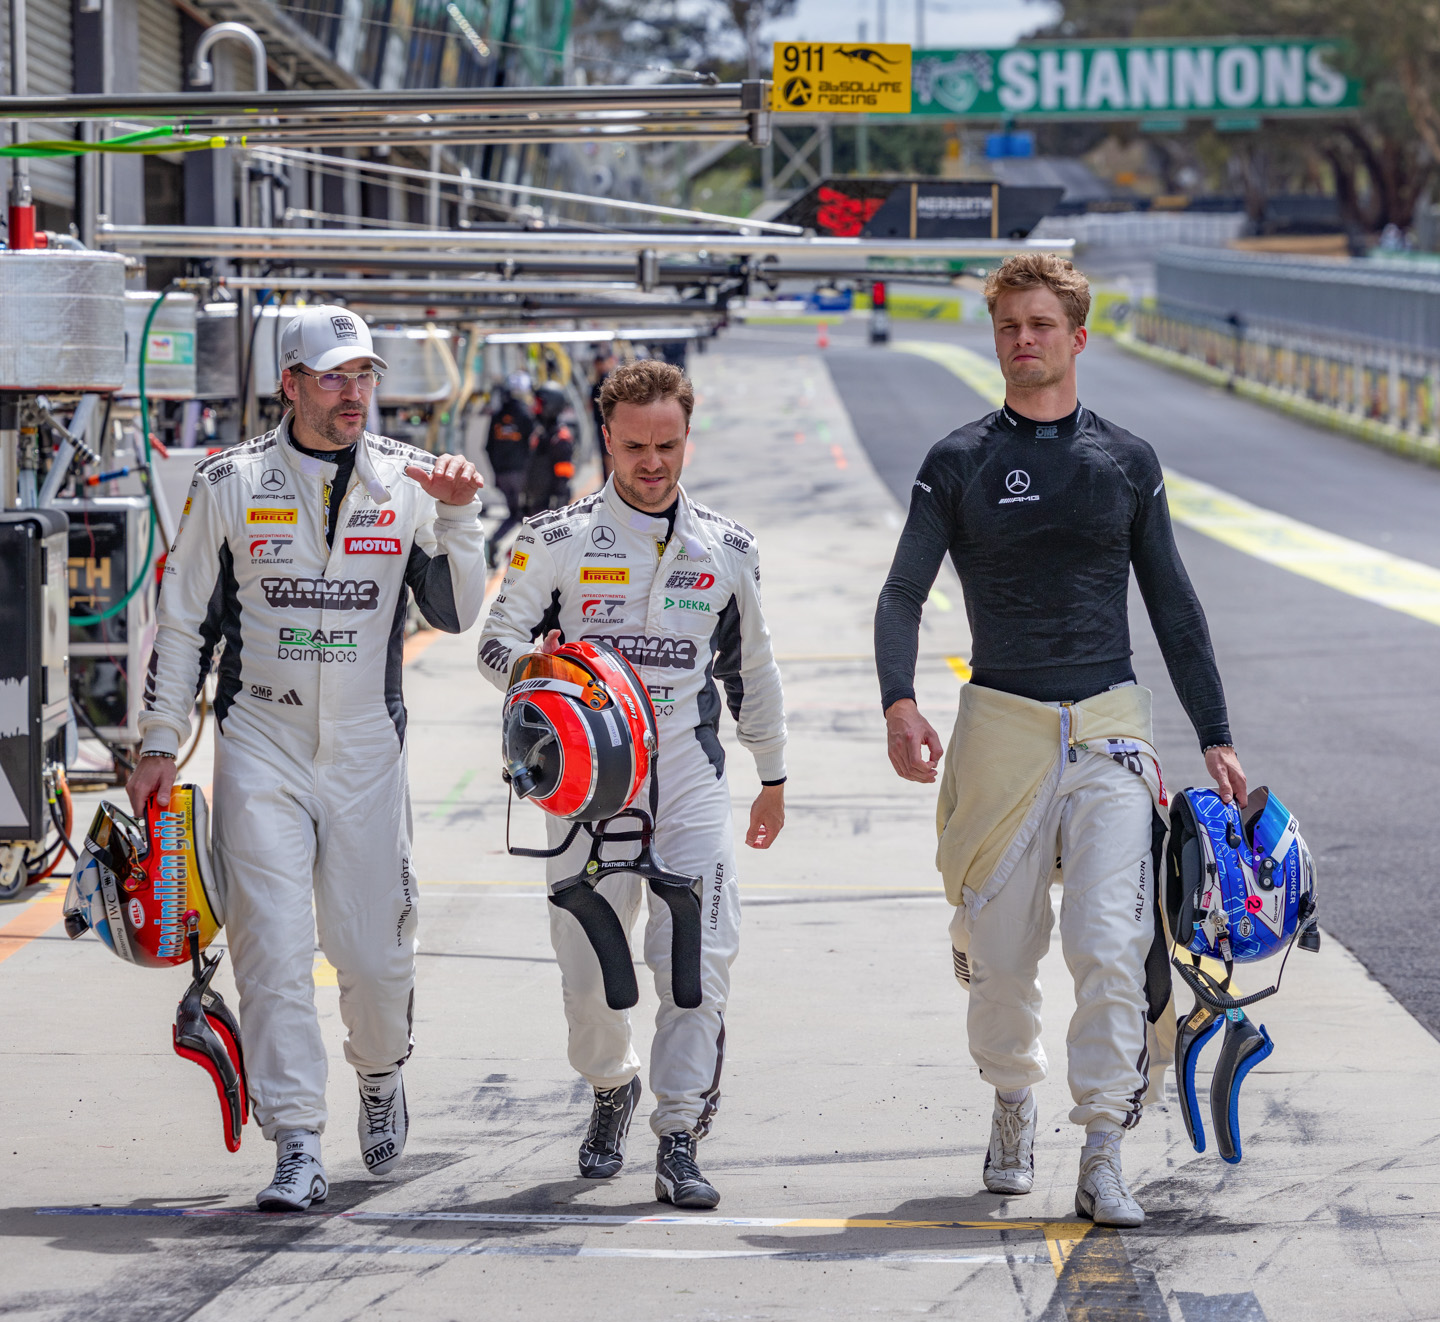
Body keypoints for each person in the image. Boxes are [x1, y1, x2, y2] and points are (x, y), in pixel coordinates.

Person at [874, 253, 1243, 1228]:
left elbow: (1172, 602)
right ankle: (1009, 1096)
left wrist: (1213, 734)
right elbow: (903, 589)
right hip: (998, 725)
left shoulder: (1125, 461)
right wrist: (898, 700)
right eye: (1007, 326)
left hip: (1110, 730)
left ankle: (1100, 1148)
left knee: (1107, 942)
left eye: (1039, 324)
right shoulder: (956, 462)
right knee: (1000, 954)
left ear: (1076, 336)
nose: (1021, 339)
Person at [133, 305, 486, 1211]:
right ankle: (295, 1139)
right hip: (263, 744)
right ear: (289, 383)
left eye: (363, 375)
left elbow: (456, 614)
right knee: (273, 953)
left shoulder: (410, 479)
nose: (353, 393)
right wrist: (160, 742)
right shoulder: (227, 482)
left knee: (372, 956)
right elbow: (182, 629)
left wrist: (460, 518)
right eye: (333, 377)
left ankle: (379, 1073)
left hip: (367, 749)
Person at [478, 359, 788, 1210]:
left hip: (687, 779)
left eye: (669, 444)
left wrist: (773, 775)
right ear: (606, 437)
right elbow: (492, 642)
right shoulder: (554, 540)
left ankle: (680, 1131)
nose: (653, 462)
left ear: (689, 436)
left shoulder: (727, 549)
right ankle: (611, 1084)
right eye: (636, 446)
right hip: (586, 784)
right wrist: (530, 667)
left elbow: (753, 671)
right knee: (587, 977)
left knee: (696, 963)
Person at [485, 371, 537, 561]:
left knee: (516, 514)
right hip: (520, 474)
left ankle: (497, 544)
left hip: (502, 474)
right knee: (526, 515)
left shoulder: (497, 415)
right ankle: (510, 551)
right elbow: (534, 446)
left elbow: (488, 447)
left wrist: (497, 474)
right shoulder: (526, 415)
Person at [523, 381, 578, 516]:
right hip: (536, 501)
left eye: (539, 404)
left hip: (549, 506)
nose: (534, 408)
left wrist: (558, 504)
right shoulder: (541, 433)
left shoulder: (560, 438)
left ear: (551, 406)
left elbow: (564, 475)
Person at [586, 347, 617, 477]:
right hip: (603, 423)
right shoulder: (601, 380)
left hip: (607, 423)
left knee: (608, 454)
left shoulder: (605, 381)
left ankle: (611, 481)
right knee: (606, 454)